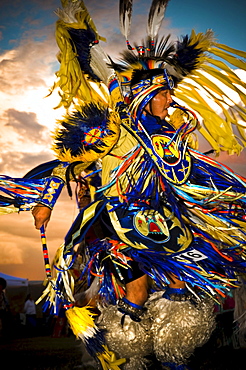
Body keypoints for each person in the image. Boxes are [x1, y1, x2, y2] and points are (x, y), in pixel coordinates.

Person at [0, 1, 246, 369]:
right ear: (145, 95)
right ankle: (126, 358)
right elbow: (67, 165)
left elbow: (192, 178)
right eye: (162, 94)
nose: (169, 99)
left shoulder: (170, 136)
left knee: (179, 289)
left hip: (165, 224)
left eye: (169, 92)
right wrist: (45, 203)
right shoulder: (111, 130)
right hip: (119, 225)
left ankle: (174, 358)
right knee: (136, 289)